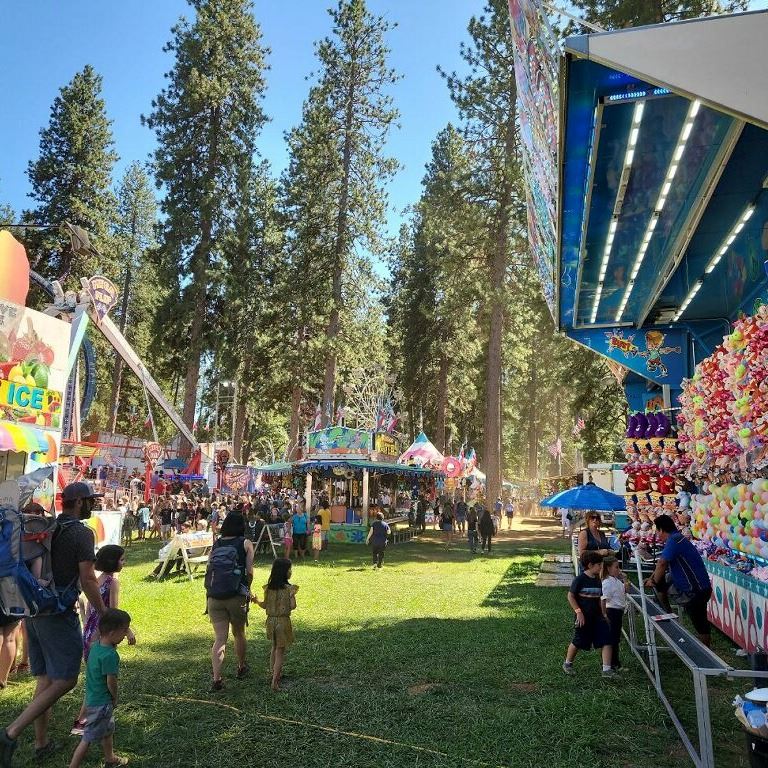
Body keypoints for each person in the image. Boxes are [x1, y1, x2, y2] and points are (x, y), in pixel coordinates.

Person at [0, 482, 108, 766]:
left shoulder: (46, 527)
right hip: (58, 614)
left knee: (45, 680)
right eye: (89, 501)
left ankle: (41, 743)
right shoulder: (82, 534)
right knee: (66, 680)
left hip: (34, 612)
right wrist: (104, 612)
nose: (92, 505)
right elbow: (87, 579)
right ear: (79, 502)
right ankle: (10, 733)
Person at [73, 545, 136, 736]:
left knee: (93, 678)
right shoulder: (112, 582)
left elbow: (86, 606)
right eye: (122, 559)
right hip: (102, 635)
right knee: (101, 680)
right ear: (113, 561)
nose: (124, 563)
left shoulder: (96, 580)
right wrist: (129, 632)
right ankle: (83, 722)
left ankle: (82, 720)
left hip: (88, 634)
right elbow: (114, 614)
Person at [67, 608, 132, 768]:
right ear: (111, 632)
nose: (126, 634)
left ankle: (110, 758)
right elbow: (111, 682)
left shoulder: (95, 647)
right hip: (101, 704)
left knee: (108, 729)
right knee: (87, 738)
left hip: (92, 699)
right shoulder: (110, 655)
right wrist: (115, 697)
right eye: (124, 630)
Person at [644, 514, 713, 646]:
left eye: (657, 531)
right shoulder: (677, 538)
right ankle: (668, 614)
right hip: (700, 587)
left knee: (700, 624)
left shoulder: (674, 540)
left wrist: (654, 581)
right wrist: (653, 578)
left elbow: (662, 563)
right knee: (663, 582)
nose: (657, 535)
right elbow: (661, 564)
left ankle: (706, 652)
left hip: (695, 590)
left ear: (662, 530)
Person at [206, 513, 254, 691]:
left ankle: (217, 679)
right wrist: (247, 589)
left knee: (220, 639)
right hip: (236, 595)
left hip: (214, 596)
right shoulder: (245, 543)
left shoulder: (217, 543)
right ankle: (241, 666)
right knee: (239, 633)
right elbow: (249, 571)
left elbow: (209, 568)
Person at [563, 551, 615, 678]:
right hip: (584, 617)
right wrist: (578, 612)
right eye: (599, 565)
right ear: (590, 565)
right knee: (578, 641)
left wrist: (604, 614)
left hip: (597, 617)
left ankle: (606, 670)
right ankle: (567, 663)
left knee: (607, 639)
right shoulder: (580, 579)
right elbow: (570, 596)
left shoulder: (598, 580)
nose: (601, 567)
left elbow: (599, 598)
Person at [252, 558, 297, 691]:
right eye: (290, 569)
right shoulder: (289, 589)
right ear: (284, 572)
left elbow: (265, 605)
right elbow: (293, 606)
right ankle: (275, 681)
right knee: (280, 652)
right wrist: (292, 596)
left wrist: (256, 601)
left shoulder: (268, 588)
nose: (291, 572)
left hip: (270, 621)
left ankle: (272, 673)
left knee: (274, 647)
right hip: (283, 622)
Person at [601, 556, 627, 672]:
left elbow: (622, 592)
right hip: (612, 612)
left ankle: (615, 663)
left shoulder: (616, 580)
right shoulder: (607, 582)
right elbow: (604, 599)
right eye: (616, 567)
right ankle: (610, 664)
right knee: (611, 639)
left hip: (618, 612)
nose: (618, 569)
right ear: (608, 568)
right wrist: (604, 614)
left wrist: (625, 581)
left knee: (615, 639)